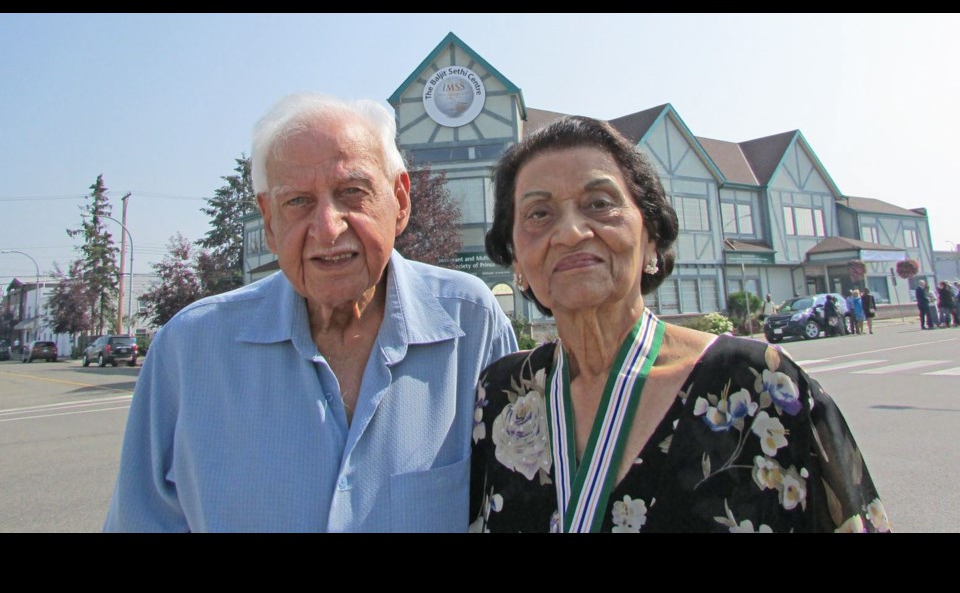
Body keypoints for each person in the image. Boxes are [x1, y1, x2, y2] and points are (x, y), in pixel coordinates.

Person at [104, 93, 518, 532]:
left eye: (352, 192)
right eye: (298, 202)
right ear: (268, 221)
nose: (327, 227)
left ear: (399, 200)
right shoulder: (188, 350)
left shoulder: (471, 325)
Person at [470, 116, 890, 533]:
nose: (572, 232)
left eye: (599, 203)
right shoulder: (502, 396)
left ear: (651, 234)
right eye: (538, 213)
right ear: (515, 258)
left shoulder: (757, 383)